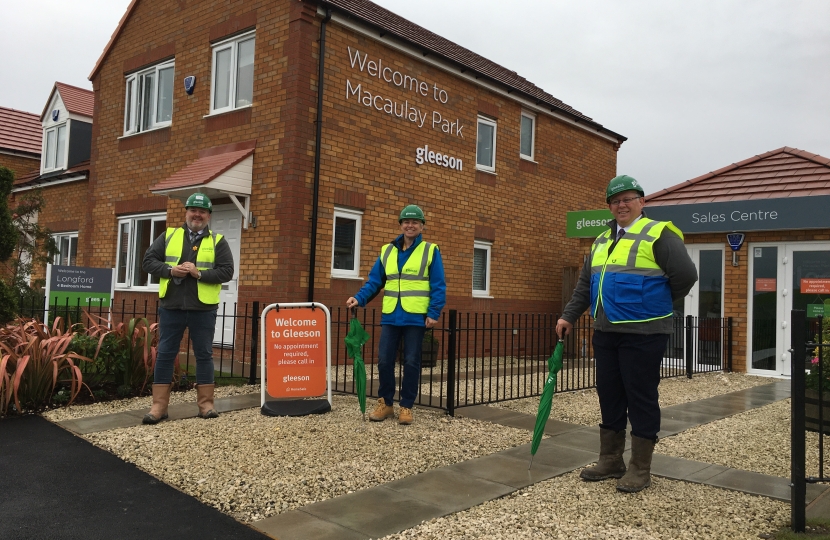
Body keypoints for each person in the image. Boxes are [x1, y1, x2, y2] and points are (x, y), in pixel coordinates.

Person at [556, 175, 697, 493]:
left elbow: (686, 276)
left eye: (628, 198)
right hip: (606, 331)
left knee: (641, 397)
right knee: (610, 394)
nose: (622, 204)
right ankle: (611, 460)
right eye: (615, 200)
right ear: (609, 206)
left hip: (644, 333)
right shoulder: (601, 240)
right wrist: (569, 315)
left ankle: (639, 468)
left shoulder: (658, 234)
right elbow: (585, 286)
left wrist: (657, 302)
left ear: (642, 202)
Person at [346, 204, 446, 425]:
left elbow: (438, 285)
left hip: (416, 317)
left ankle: (407, 406)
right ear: (401, 225)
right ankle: (386, 403)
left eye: (415, 222)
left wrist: (434, 312)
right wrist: (359, 298)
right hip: (391, 315)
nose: (410, 225)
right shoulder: (387, 250)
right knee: (384, 360)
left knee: (411, 361)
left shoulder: (430, 250)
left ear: (421, 226)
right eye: (406, 222)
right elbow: (375, 281)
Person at [141, 193, 235, 424]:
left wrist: (199, 273)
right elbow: (148, 262)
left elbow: (227, 272)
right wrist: (171, 270)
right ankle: (158, 407)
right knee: (165, 354)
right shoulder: (169, 235)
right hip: (171, 306)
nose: (197, 214)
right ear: (186, 212)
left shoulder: (217, 241)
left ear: (208, 216)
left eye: (202, 211)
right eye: (193, 209)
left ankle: (206, 406)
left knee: (204, 354)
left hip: (203, 308)